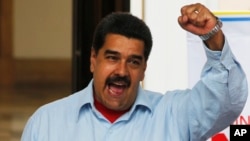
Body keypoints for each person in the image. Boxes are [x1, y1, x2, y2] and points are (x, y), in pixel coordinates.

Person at [21, 3, 248, 141]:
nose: (121, 71)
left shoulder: (174, 116)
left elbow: (227, 101)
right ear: (93, 59)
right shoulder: (47, 123)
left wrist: (213, 38)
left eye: (133, 61)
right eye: (112, 58)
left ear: (144, 69)